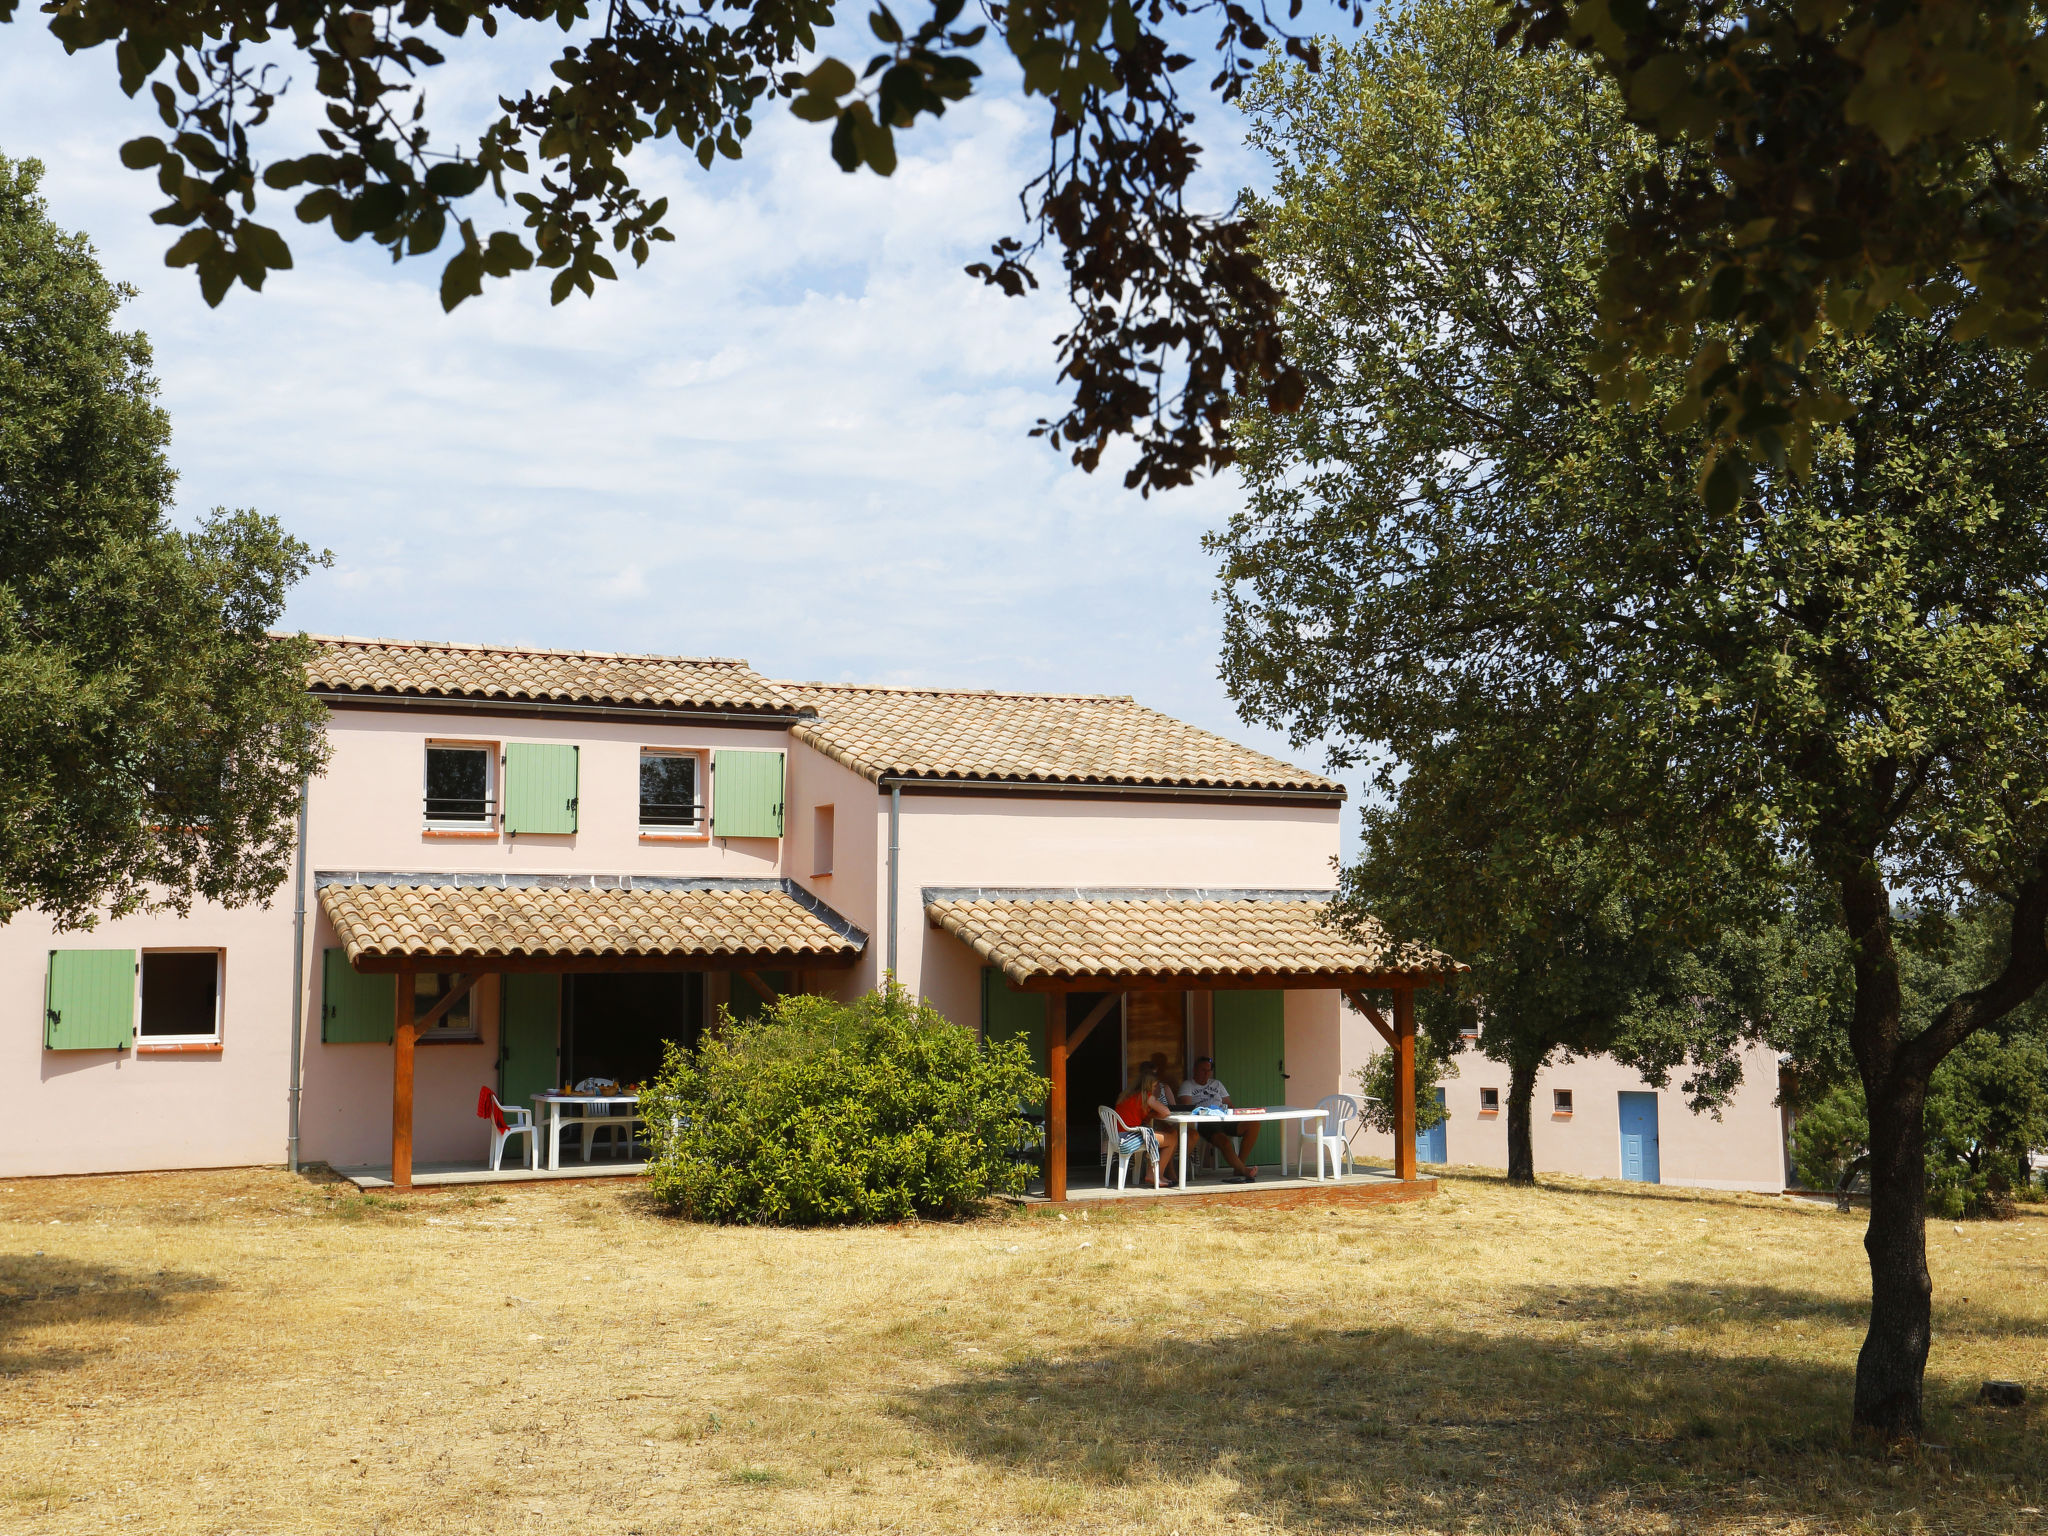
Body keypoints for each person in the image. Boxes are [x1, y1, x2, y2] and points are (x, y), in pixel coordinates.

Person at [1179, 1056, 1260, 1182]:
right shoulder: (1187, 1085)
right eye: (1202, 1070)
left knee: (1254, 1124)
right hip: (1204, 1122)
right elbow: (1187, 1108)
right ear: (1195, 1069)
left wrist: (1234, 1114)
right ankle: (1244, 1170)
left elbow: (1230, 1105)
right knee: (1225, 1141)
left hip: (1223, 1117)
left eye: (1208, 1070)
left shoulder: (1217, 1084)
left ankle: (1239, 1166)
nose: (1206, 1073)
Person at [1112, 1066, 1179, 1177]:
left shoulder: (1127, 1095)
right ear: (1148, 1086)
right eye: (1155, 1086)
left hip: (1118, 1136)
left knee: (1154, 1135)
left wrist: (1151, 1114)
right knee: (1172, 1139)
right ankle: (1157, 1176)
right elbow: (1166, 1112)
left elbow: (1138, 1114)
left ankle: (1151, 1174)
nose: (1156, 1089)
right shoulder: (1147, 1097)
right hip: (1129, 1137)